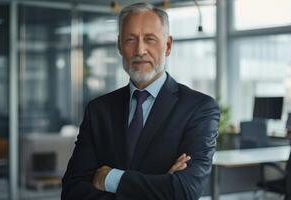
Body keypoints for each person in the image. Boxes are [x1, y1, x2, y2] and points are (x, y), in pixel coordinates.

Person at [62, 2, 220, 200]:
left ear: (168, 46)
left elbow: (184, 191)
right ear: (119, 46)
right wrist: (161, 186)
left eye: (150, 39)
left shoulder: (198, 108)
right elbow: (72, 191)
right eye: (130, 40)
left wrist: (110, 178)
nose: (140, 50)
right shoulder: (98, 110)